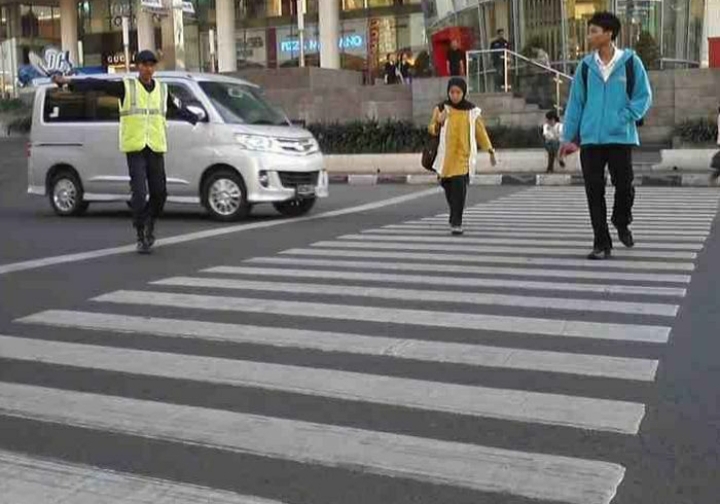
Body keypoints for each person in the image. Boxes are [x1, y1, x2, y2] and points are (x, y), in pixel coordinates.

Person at [52, 50, 200, 254]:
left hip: (155, 148)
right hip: (135, 148)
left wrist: (195, 118)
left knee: (160, 194)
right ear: (138, 66)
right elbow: (97, 84)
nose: (148, 68)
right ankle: (141, 232)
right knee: (139, 194)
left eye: (151, 65)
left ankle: (149, 221)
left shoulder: (162, 90)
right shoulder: (126, 87)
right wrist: (67, 82)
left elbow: (178, 107)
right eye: (144, 64)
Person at [560, 12, 652, 260]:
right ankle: (602, 242)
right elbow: (575, 104)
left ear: (609, 33)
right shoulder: (585, 68)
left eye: (594, 31)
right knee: (594, 191)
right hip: (591, 139)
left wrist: (622, 117)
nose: (589, 36)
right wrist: (568, 138)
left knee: (624, 186)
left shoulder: (631, 63)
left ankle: (621, 221)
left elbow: (644, 97)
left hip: (621, 137)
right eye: (589, 31)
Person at [429, 77, 497, 235]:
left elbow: (481, 132)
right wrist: (438, 122)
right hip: (445, 158)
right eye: (452, 92)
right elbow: (431, 129)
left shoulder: (472, 111)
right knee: (448, 189)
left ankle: (456, 221)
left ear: (464, 92)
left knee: (459, 190)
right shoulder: (441, 108)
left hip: (463, 158)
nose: (454, 95)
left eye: (458, 92)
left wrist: (490, 150)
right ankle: (454, 214)